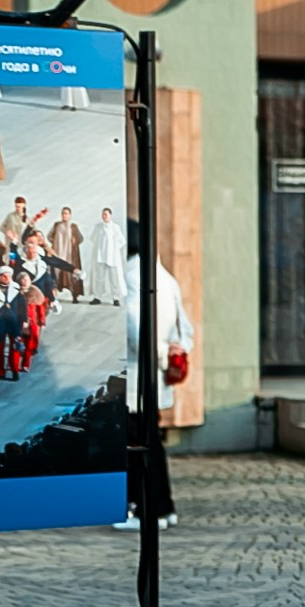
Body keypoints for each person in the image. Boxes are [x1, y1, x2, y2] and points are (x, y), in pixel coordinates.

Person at [114, 226, 194, 531]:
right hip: (152, 378)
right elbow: (185, 329)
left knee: (137, 447)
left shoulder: (132, 277)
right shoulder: (164, 276)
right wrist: (173, 349)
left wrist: (159, 352)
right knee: (151, 444)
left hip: (135, 376)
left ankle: (145, 511)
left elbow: (136, 329)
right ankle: (163, 507)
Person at [86, 205, 125, 305]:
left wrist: (114, 250)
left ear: (110, 215)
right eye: (103, 214)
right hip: (101, 257)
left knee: (114, 279)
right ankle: (97, 297)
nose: (104, 216)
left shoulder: (115, 228)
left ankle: (116, 298)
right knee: (99, 278)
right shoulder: (98, 227)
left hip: (112, 258)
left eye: (106, 214)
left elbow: (122, 241)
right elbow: (93, 239)